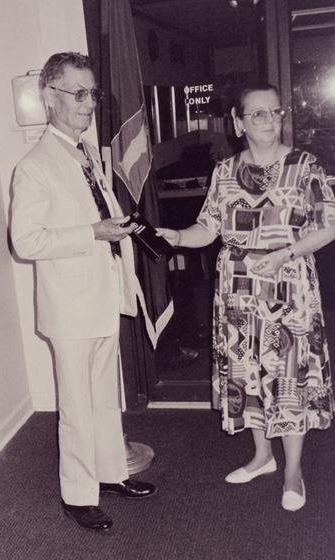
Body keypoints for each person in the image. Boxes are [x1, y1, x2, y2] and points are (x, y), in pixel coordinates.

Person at [157, 81, 335, 512]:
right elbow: (209, 227)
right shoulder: (223, 172)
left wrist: (285, 253)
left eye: (275, 112)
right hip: (238, 289)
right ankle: (262, 457)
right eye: (257, 113)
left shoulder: (304, 165)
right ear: (238, 123)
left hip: (289, 285)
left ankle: (293, 470)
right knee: (248, 370)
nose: (269, 120)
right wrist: (177, 235)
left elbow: (328, 226)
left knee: (289, 374)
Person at [10, 52, 156, 532]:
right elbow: (25, 241)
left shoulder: (85, 153)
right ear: (49, 97)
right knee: (76, 407)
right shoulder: (33, 166)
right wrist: (92, 232)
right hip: (69, 308)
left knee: (102, 396)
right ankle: (77, 495)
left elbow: (98, 216)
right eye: (78, 93)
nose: (89, 102)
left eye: (91, 92)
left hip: (101, 295)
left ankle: (112, 472)